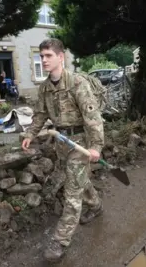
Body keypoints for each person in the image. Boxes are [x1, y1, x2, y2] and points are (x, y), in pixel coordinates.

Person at [21, 38, 104, 262]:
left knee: (72, 193)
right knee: (79, 180)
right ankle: (96, 205)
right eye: (42, 56)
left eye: (48, 55)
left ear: (61, 57)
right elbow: (40, 114)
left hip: (80, 144)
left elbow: (93, 118)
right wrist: (30, 134)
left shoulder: (77, 83)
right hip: (61, 143)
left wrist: (96, 146)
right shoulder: (45, 88)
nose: (44, 60)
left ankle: (60, 241)